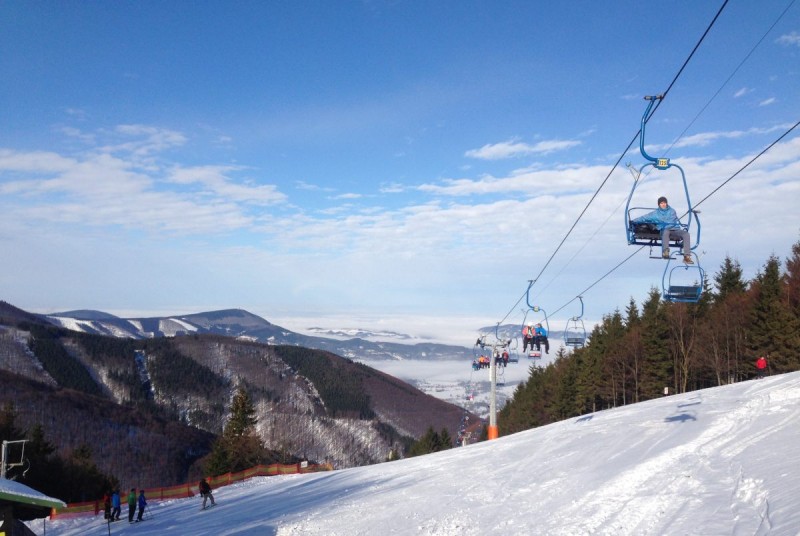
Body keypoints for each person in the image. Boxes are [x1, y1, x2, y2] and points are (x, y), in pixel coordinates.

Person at [632, 196, 693, 264]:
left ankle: (686, 256)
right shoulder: (655, 214)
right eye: (661, 203)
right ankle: (665, 252)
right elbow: (645, 217)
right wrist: (634, 221)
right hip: (665, 230)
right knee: (665, 232)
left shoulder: (672, 211)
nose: (663, 204)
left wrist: (660, 225)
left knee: (686, 234)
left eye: (664, 203)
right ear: (659, 205)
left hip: (674, 229)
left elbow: (671, 221)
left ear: (666, 203)